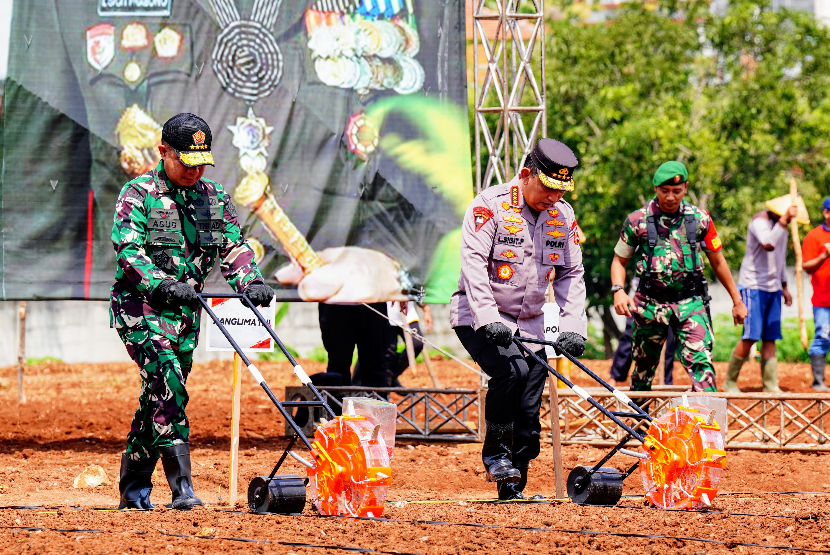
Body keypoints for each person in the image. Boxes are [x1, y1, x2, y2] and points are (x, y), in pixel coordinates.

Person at [110, 113, 274, 510]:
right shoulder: (138, 194)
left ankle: (133, 491)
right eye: (186, 161)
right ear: (162, 151)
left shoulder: (213, 198)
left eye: (201, 161)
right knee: (168, 384)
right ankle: (182, 490)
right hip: (141, 308)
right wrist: (162, 284)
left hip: (188, 314)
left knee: (160, 395)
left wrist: (250, 281)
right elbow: (129, 252)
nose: (194, 170)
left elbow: (234, 247)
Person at [451, 138, 588, 501]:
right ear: (526, 174)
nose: (553, 199)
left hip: (530, 324)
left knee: (529, 400)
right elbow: (474, 266)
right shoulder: (489, 206)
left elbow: (572, 274)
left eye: (561, 191)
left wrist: (574, 327)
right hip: (478, 316)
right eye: (547, 189)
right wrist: (488, 317)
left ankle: (513, 485)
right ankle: (495, 455)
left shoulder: (563, 216)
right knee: (511, 372)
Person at [611, 161, 747, 392]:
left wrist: (737, 301)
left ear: (685, 187)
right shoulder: (637, 220)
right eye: (665, 191)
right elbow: (619, 262)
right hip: (649, 304)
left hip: (690, 302)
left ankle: (707, 426)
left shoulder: (700, 219)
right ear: (655, 189)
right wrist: (618, 290)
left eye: (677, 191)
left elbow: (718, 261)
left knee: (702, 365)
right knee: (643, 370)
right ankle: (639, 425)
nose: (671, 197)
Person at [725, 198, 801, 392]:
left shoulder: (782, 226)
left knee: (770, 337)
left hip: (773, 288)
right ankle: (730, 382)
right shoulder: (760, 221)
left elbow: (780, 258)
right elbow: (768, 243)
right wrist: (784, 221)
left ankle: (770, 384)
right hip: (753, 285)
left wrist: (784, 286)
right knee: (751, 335)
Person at [352, 302, 434, 387]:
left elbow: (417, 289)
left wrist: (426, 309)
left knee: (417, 344)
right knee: (384, 351)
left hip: (407, 312)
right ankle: (356, 385)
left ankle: (390, 377)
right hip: (385, 311)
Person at [802, 197, 830, 391]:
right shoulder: (814, 236)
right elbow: (807, 267)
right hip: (822, 299)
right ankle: (818, 382)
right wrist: (824, 255)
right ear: (826, 213)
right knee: (822, 335)